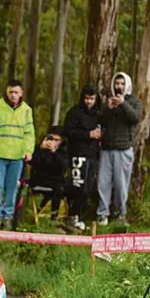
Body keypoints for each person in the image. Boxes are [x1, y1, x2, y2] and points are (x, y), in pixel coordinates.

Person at [0, 80, 35, 230]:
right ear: (6, 92)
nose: (13, 95)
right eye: (11, 92)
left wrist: (28, 151)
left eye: (16, 92)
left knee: (12, 189)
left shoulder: (26, 110)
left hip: (17, 156)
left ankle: (8, 217)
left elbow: (29, 133)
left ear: (21, 93)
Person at [97, 72, 142, 226]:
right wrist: (109, 108)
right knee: (103, 183)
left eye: (122, 83)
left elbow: (135, 118)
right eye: (117, 83)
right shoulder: (108, 101)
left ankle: (121, 214)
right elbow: (101, 121)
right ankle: (102, 213)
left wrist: (123, 103)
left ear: (127, 85)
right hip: (107, 147)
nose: (119, 86)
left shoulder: (134, 101)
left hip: (124, 148)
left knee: (121, 184)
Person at [63, 85, 101, 230]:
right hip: (78, 154)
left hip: (93, 155)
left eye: (92, 99)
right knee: (78, 186)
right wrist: (87, 135)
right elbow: (68, 131)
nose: (89, 102)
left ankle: (80, 216)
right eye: (86, 98)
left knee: (89, 187)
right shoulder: (74, 112)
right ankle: (72, 215)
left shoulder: (98, 114)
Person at [30, 126, 69, 221]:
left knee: (70, 188)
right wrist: (40, 149)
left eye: (56, 140)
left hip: (57, 180)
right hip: (39, 179)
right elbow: (31, 161)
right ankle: (54, 217)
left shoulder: (63, 151)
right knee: (59, 188)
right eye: (51, 138)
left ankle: (70, 217)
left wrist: (54, 152)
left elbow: (64, 166)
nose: (53, 142)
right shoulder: (39, 148)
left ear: (61, 141)